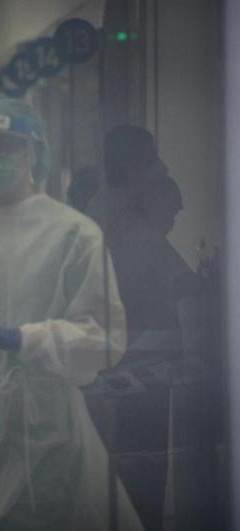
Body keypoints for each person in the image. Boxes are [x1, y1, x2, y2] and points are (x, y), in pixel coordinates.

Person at [0, 97, 142, 530]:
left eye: (1, 146)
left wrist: (20, 339)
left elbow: (104, 338)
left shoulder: (74, 234)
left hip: (44, 427)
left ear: (32, 153)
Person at [89, 175, 202, 531]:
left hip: (125, 358)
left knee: (127, 456)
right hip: (145, 361)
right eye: (171, 212)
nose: (175, 219)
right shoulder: (144, 237)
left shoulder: (115, 227)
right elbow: (183, 282)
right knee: (146, 458)